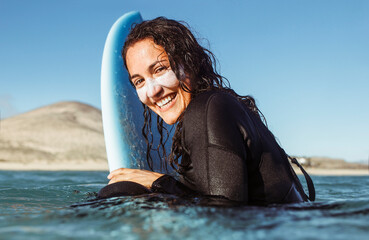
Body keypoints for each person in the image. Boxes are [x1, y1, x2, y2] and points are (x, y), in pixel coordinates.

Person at [98, 17, 315, 205]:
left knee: (121, 191)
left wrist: (158, 183)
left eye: (161, 69)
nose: (152, 91)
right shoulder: (219, 105)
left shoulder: (206, 110)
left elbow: (222, 214)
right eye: (139, 81)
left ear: (189, 63)